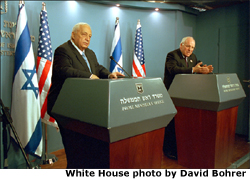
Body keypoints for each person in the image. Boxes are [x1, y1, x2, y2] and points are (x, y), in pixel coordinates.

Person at [47, 22, 124, 168]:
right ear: (73, 34)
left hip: (85, 107)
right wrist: (89, 76)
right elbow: (65, 70)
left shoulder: (90, 53)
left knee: (88, 147)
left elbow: (98, 68)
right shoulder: (63, 50)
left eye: (90, 36)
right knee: (74, 147)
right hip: (66, 107)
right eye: (84, 34)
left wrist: (109, 74)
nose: (87, 38)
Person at [163, 36, 213, 160]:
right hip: (172, 94)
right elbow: (173, 70)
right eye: (188, 46)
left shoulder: (193, 58)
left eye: (192, 47)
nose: (190, 49)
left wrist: (203, 70)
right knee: (172, 124)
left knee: (184, 123)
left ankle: (182, 148)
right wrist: (193, 69)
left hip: (186, 95)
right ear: (181, 45)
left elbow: (197, 68)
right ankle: (168, 150)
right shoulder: (172, 55)